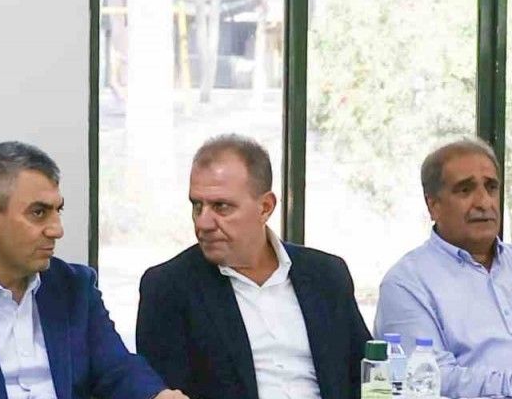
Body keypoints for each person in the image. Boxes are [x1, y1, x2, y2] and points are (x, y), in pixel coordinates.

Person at [0, 140, 186, 399]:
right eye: (38, 213)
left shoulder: (74, 286)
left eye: (58, 210)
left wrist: (156, 396)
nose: (56, 229)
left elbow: (117, 369)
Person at [136, 135, 370, 399]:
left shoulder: (326, 275)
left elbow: (366, 375)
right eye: (197, 205)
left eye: (221, 207)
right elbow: (164, 390)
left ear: (265, 207)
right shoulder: (170, 287)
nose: (203, 223)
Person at [375, 137, 512, 397]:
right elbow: (431, 377)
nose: (484, 202)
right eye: (465, 190)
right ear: (433, 205)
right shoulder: (406, 283)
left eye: (491, 187)